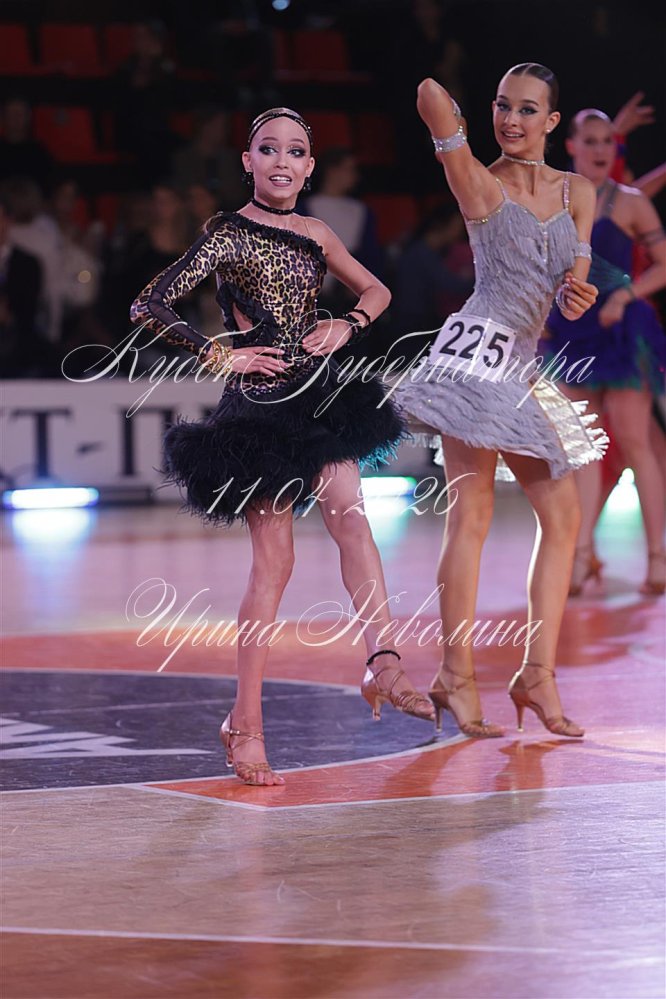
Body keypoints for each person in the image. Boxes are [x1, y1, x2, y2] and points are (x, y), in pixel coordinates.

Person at [130, 107, 435, 787]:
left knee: (352, 516)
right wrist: (221, 354)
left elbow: (377, 289)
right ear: (248, 161)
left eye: (295, 151)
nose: (281, 161)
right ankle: (244, 722)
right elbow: (148, 304)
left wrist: (348, 323)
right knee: (275, 563)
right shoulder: (227, 233)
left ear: (309, 167)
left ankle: (383, 660)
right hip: (261, 410)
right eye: (268, 148)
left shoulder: (316, 232)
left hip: (320, 398)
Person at [395, 65, 603, 740]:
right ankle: (461, 674)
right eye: (502, 106)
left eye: (528, 109)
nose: (512, 120)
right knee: (473, 515)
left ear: (552, 121)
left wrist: (578, 293)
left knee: (561, 516)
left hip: (520, 360)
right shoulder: (479, 183)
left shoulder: (579, 192)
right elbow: (428, 94)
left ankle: (532, 674)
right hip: (477, 354)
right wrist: (454, 128)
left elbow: (573, 283)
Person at [543, 109, 666, 597]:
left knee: (635, 443)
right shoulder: (553, 197)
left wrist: (625, 296)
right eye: (590, 140)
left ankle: (657, 556)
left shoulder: (630, 201)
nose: (599, 149)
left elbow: (663, 264)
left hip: (620, 329)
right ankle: (579, 556)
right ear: (571, 145)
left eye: (607, 141)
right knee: (583, 450)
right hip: (572, 329)